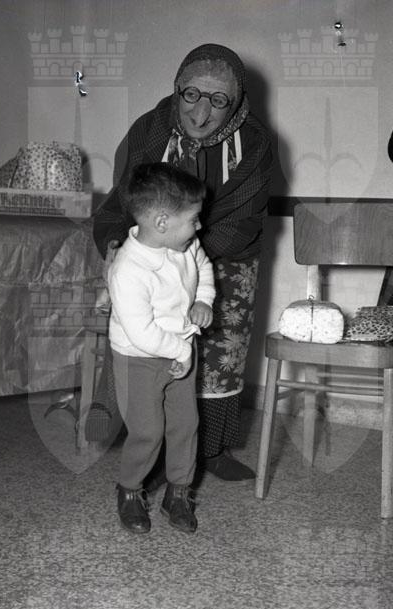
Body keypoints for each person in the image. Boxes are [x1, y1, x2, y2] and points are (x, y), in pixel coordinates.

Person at [94, 43, 273, 484]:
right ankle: (152, 449)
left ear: (237, 103)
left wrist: (189, 259)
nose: (201, 112)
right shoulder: (149, 129)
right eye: (191, 94)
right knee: (152, 343)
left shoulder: (255, 142)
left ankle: (210, 450)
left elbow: (245, 217)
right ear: (176, 89)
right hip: (153, 253)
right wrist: (120, 246)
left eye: (219, 100)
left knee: (218, 354)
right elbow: (126, 196)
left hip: (225, 254)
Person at [108, 162, 215, 534]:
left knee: (186, 424)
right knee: (148, 430)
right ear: (162, 222)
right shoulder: (128, 270)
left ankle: (178, 492)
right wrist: (181, 351)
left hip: (179, 348)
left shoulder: (185, 245)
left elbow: (204, 266)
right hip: (138, 358)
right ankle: (129, 489)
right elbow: (141, 332)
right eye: (194, 220)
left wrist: (203, 299)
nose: (199, 227)